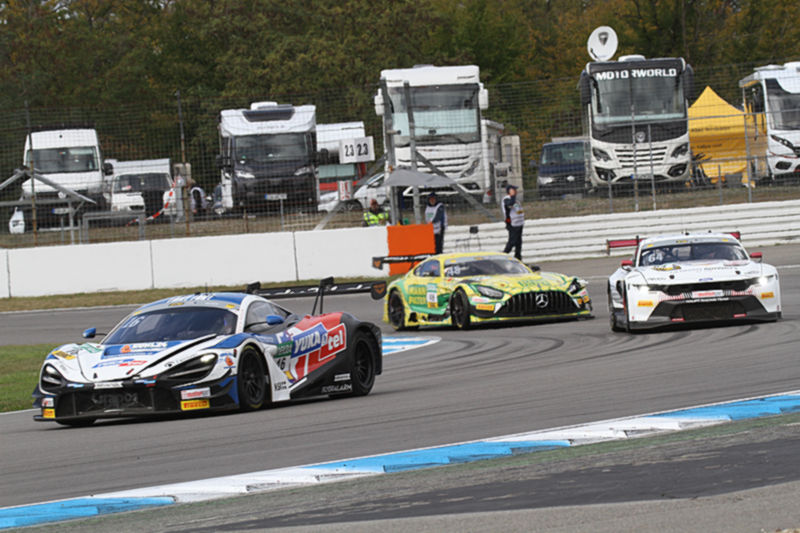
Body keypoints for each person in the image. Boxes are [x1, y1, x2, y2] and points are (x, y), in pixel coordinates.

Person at [501, 184, 524, 260]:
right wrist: (512, 195)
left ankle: (518, 258)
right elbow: (510, 204)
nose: (516, 191)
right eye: (514, 190)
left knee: (518, 243)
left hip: (519, 223)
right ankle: (502, 256)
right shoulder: (507, 199)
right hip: (512, 223)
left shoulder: (516, 200)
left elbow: (518, 210)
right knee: (512, 242)